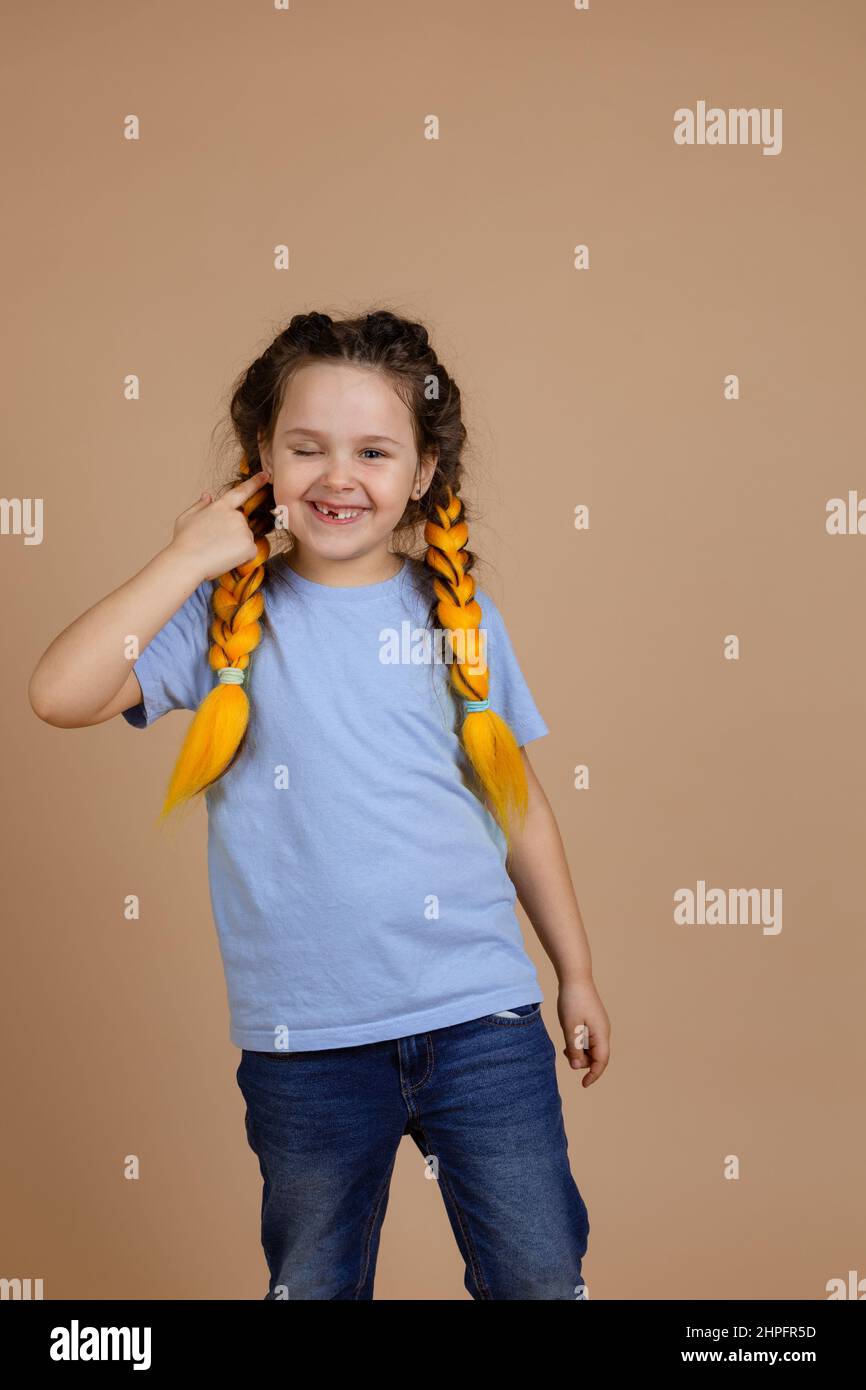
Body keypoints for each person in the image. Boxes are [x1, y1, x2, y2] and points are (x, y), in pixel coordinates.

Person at [28, 308, 611, 1300]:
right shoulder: (221, 623)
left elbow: (520, 810)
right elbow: (59, 692)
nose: (339, 477)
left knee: (539, 1275)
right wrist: (184, 559)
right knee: (314, 1282)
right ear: (263, 459)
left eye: (374, 451)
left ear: (422, 473)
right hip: (305, 1039)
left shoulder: (454, 616)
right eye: (307, 448)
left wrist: (575, 971)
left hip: (479, 1014)